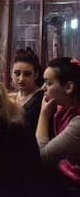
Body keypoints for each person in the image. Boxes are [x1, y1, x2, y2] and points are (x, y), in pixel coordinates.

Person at [36, 57, 80, 195]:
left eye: (48, 83)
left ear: (68, 87)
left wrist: (43, 115)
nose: (43, 88)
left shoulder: (78, 121)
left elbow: (42, 156)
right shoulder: (62, 108)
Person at [9, 47, 44, 132]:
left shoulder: (41, 99)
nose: (21, 79)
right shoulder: (11, 97)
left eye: (27, 74)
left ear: (35, 75)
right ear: (11, 73)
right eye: (17, 73)